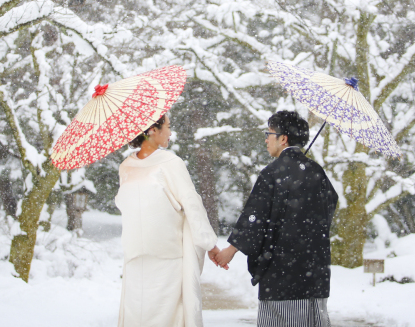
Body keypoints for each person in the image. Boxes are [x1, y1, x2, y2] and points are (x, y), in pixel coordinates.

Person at [214, 111, 339, 327]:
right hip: (314, 272)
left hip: (282, 273)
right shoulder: (317, 172)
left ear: (283, 139)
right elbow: (329, 206)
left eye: (269, 133)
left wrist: (230, 250)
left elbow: (255, 217)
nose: (266, 139)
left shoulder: (272, 173)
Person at [115, 113, 222, 327]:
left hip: (137, 253)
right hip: (165, 254)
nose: (170, 132)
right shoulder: (170, 163)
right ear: (152, 130)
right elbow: (192, 204)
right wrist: (209, 244)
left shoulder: (126, 166)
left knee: (138, 313)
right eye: (168, 126)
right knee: (168, 315)